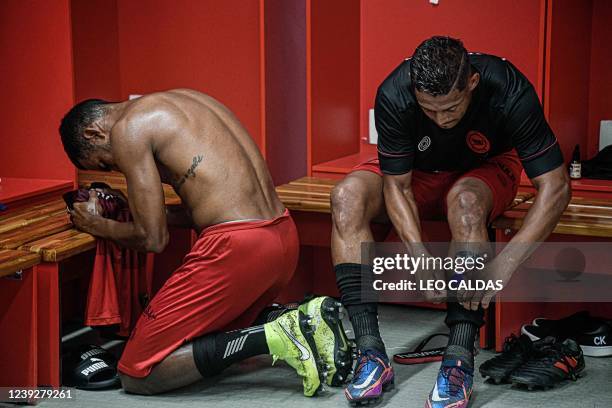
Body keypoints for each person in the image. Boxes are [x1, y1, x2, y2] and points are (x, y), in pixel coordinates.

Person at [59, 89, 350, 397]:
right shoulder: (187, 100)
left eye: (104, 164)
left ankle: (275, 334)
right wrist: (139, 211)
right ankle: (300, 319)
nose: (113, 169)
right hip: (282, 238)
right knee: (203, 340)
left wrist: (98, 226)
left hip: (237, 248)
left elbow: (153, 239)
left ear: (93, 133)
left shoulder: (127, 128)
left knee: (138, 372)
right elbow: (207, 203)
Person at [332, 36, 570, 407]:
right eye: (429, 110)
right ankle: (370, 353)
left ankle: (459, 359)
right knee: (346, 197)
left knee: (466, 203)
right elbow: (398, 186)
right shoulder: (395, 93)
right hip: (419, 173)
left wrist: (504, 265)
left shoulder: (508, 88)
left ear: (472, 83)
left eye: (450, 108)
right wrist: (419, 257)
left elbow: (556, 187)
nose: (440, 120)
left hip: (483, 171)